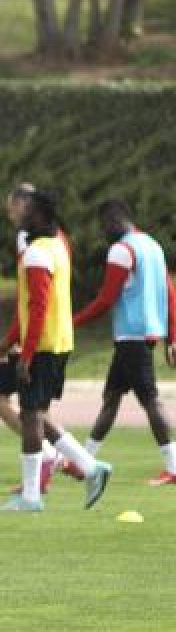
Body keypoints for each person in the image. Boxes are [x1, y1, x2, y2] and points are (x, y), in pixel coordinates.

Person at [0, 186, 111, 512]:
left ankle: (31, 497)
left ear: (40, 215)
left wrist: (25, 354)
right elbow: (34, 305)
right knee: (38, 415)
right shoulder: (59, 243)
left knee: (31, 416)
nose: (21, 215)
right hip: (60, 341)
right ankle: (90, 467)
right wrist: (8, 342)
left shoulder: (36, 253)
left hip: (43, 345)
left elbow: (39, 305)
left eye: (27, 210)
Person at [72, 199, 176, 486]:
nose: (102, 232)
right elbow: (170, 293)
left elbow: (107, 298)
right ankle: (85, 462)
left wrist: (72, 322)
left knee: (150, 400)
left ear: (114, 221)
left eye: (103, 226)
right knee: (112, 397)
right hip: (145, 334)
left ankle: (174, 466)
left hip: (132, 335)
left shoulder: (121, 250)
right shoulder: (153, 246)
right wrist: (172, 337)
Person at [0, 184, 81, 495]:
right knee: (36, 409)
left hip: (35, 338)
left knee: (8, 402)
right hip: (49, 336)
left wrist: (17, 342)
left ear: (27, 207)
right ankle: (70, 463)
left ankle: (50, 459)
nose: (13, 213)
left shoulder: (32, 243)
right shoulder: (59, 239)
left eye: (15, 207)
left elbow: (34, 299)